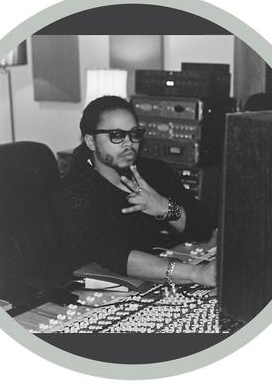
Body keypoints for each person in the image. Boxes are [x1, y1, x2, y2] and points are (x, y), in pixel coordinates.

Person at [52, 96, 216, 287]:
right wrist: (196, 273)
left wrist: (165, 207)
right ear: (91, 141)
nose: (129, 143)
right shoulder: (73, 192)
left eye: (134, 134)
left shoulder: (155, 171)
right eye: (116, 135)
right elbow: (115, 255)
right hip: (102, 285)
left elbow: (203, 229)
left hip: (158, 275)